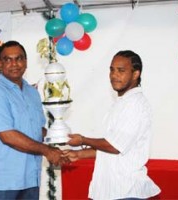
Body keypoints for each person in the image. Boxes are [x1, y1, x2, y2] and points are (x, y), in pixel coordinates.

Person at [63, 50, 161, 199]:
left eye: (121, 71)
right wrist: (79, 154)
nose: (114, 75)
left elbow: (114, 146)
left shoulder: (134, 105)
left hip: (125, 191)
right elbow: (111, 148)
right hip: (112, 191)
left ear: (136, 74)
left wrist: (82, 140)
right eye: (112, 70)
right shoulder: (122, 103)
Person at [0, 40, 68, 200]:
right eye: (8, 59)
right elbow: (8, 136)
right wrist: (47, 150)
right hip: (4, 181)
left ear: (26, 62)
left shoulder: (31, 92)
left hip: (30, 177)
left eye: (19, 58)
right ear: (0, 64)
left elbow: (37, 130)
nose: (14, 64)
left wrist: (60, 139)